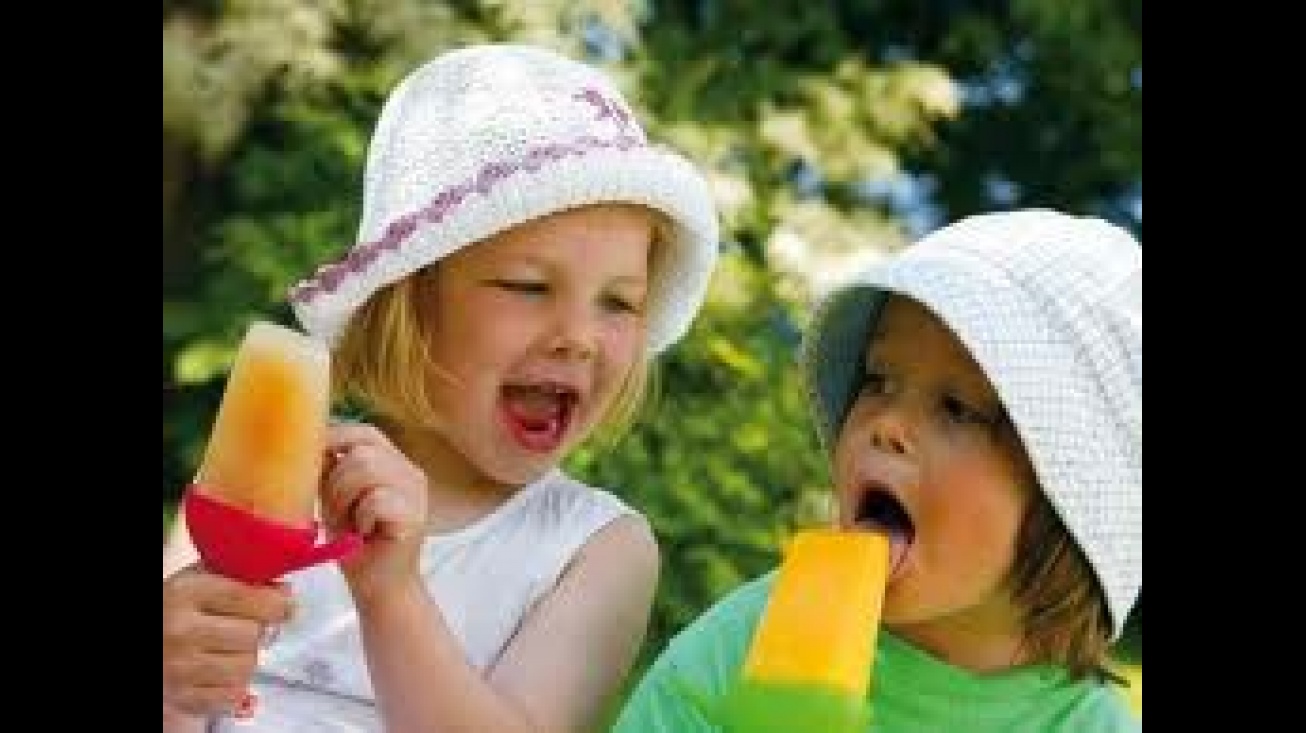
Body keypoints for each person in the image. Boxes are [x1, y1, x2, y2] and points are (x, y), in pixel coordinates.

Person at [162, 43, 720, 732]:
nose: (578, 335)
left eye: (619, 302)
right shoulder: (264, 484)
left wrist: (391, 591)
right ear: (410, 305)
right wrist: (173, 683)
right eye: (528, 286)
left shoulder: (598, 549)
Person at [614, 209, 1141, 731]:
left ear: (1066, 504)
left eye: (957, 407)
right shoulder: (741, 646)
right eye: (877, 381)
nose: (886, 424)